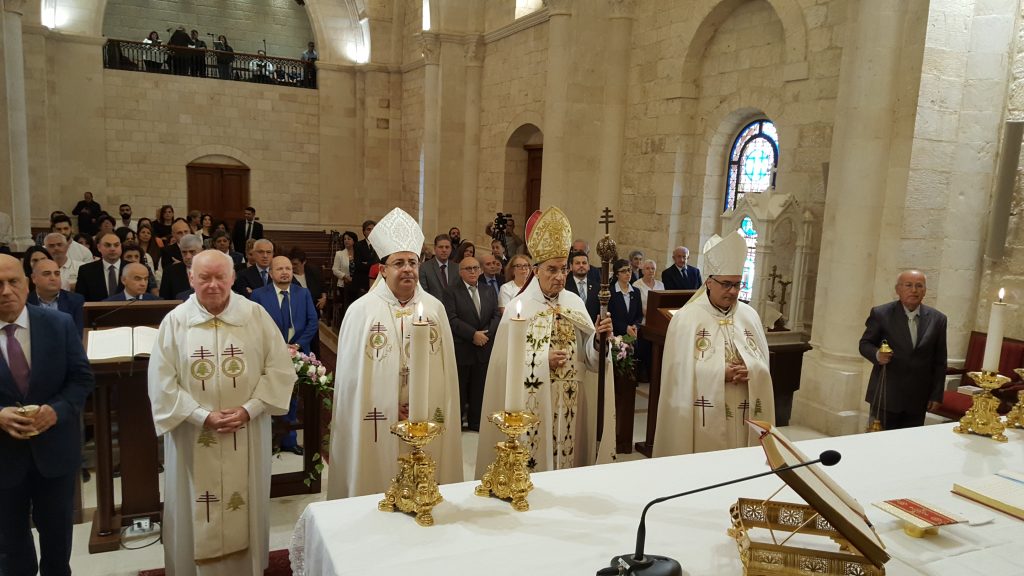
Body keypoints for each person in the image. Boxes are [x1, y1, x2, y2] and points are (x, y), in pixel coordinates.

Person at [148, 250, 294, 575]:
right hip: (192, 432)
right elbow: (161, 383)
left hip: (247, 429)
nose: (213, 285)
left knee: (247, 501)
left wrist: (249, 409)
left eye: (220, 277)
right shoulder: (176, 322)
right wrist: (202, 416)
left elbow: (280, 370)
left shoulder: (254, 316)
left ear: (232, 278)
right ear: (191, 279)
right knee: (193, 503)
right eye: (204, 278)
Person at [327, 208, 463, 499]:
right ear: (383, 269)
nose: (407, 269)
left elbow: (447, 375)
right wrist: (391, 404)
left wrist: (419, 407)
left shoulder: (434, 309)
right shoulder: (361, 311)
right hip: (378, 422)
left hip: (426, 417)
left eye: (412, 262)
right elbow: (352, 383)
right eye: (398, 263)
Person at [475, 207, 616, 475]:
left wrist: (599, 341)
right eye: (552, 269)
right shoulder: (519, 307)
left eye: (563, 269)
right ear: (536, 270)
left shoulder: (574, 303)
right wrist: (541, 360)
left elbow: (591, 360)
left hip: (573, 401)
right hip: (534, 401)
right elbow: (504, 364)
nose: (559, 276)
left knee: (571, 468)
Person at [0, 254, 94, 576]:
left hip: (55, 453)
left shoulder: (59, 324)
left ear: (27, 284)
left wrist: (57, 410)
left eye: (13, 281)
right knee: (11, 550)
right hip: (3, 458)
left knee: (57, 547)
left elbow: (82, 379)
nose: (6, 291)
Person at [653, 231, 774, 457]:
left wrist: (752, 368)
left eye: (737, 284)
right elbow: (677, 374)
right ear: (709, 282)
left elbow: (763, 363)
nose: (733, 291)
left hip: (745, 409)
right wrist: (720, 373)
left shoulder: (750, 316)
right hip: (702, 417)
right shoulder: (687, 317)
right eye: (726, 284)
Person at [859, 270, 947, 429]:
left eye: (919, 286)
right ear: (898, 289)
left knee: (909, 441)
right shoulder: (881, 314)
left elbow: (940, 360)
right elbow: (865, 344)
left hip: (918, 398)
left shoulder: (938, 319)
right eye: (908, 285)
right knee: (880, 441)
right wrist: (878, 355)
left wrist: (936, 395)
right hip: (887, 394)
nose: (914, 290)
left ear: (925, 291)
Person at [252, 256, 317, 455]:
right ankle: (270, 440)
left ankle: (289, 440)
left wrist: (297, 345)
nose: (285, 272)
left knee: (292, 398)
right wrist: (277, 347)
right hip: (269, 355)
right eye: (280, 269)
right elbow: (254, 325)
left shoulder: (302, 293)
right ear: (271, 273)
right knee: (270, 396)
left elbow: (312, 322)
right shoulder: (258, 295)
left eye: (288, 268)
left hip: (297, 353)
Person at [443, 256, 501, 431]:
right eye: (468, 269)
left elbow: (496, 315)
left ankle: (476, 422)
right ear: (460, 272)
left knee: (479, 387)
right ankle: (457, 423)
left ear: (481, 270)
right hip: (463, 347)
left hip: (484, 346)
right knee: (460, 388)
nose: (473, 272)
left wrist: (485, 335)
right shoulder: (451, 291)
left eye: (476, 268)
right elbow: (451, 319)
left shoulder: (488, 290)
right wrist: (472, 334)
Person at [28, 258, 86, 334]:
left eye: (57, 274)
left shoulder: (76, 300)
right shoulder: (25, 302)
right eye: (47, 274)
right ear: (33, 278)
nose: (53, 278)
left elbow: (78, 335)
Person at [74, 233, 123, 302]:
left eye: (116, 245)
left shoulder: (133, 268)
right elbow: (80, 300)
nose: (112, 249)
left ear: (121, 247)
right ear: (99, 247)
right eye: (108, 245)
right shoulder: (86, 271)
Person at [160, 234, 202, 300]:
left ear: (201, 251)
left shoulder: (211, 270)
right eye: (184, 252)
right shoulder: (170, 272)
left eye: (192, 252)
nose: (188, 256)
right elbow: (164, 301)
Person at [608, 259, 642, 339]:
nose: (627, 273)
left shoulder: (636, 291)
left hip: (633, 334)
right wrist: (625, 328)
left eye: (629, 270)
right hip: (616, 336)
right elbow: (609, 316)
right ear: (617, 274)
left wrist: (635, 326)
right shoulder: (610, 292)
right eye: (623, 271)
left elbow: (639, 315)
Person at [566, 250, 600, 322]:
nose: (581, 265)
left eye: (584, 263)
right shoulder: (565, 287)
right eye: (577, 263)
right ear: (571, 267)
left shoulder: (597, 288)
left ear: (588, 266)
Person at [419, 233, 453, 300]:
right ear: (435, 249)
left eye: (447, 247)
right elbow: (423, 293)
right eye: (441, 247)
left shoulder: (457, 268)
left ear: (451, 249)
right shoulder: (425, 268)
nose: (444, 250)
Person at [289, 248, 325, 313]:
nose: (292, 266)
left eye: (295, 264)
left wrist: (324, 298)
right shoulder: (288, 275)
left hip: (314, 307)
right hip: (296, 309)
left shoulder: (313, 271)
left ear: (304, 262)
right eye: (290, 263)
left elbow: (323, 286)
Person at [352, 220, 378, 296]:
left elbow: (381, 263)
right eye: (368, 229)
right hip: (362, 281)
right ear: (364, 232)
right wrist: (374, 264)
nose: (371, 232)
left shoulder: (380, 245)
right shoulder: (358, 245)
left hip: (377, 281)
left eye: (373, 229)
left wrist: (367, 263)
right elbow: (358, 265)